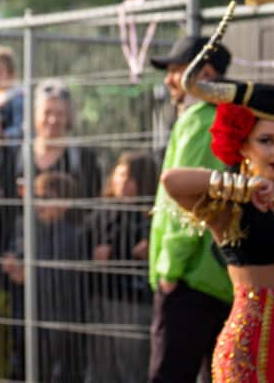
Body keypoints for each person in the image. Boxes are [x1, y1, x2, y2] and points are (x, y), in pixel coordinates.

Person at [160, 9, 274, 381]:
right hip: (246, 361)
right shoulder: (227, 208)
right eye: (266, 141)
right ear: (242, 145)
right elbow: (172, 181)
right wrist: (241, 186)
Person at [147, 34, 233, 383]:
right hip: (216, 276)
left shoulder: (200, 119)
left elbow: (190, 204)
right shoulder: (226, 118)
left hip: (189, 279)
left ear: (206, 74)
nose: (168, 78)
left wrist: (170, 270)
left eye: (177, 70)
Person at [2, 171, 88, 383]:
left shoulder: (73, 235)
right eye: (37, 196)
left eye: (47, 198)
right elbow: (15, 256)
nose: (39, 203)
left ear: (66, 203)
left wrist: (28, 275)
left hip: (58, 320)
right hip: (26, 315)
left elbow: (61, 277)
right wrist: (11, 265)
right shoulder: (26, 228)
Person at [84, 151, 158, 382]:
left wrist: (117, 253)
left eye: (131, 178)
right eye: (120, 175)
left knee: (133, 368)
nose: (124, 183)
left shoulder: (152, 215)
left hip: (134, 302)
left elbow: (143, 251)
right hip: (101, 298)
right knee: (102, 369)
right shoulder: (101, 213)